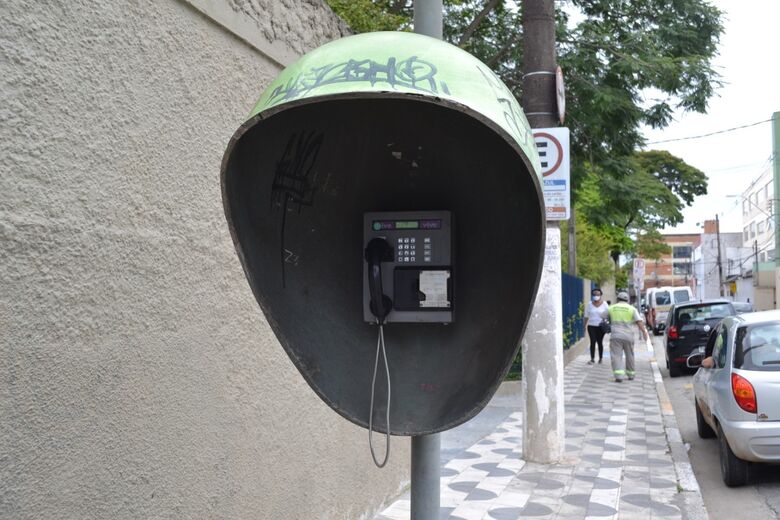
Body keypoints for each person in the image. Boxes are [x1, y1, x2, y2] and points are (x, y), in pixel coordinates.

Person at [607, 291, 650, 382]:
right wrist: (644, 332)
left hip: (615, 335)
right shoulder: (632, 309)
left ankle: (619, 376)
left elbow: (602, 316)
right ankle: (631, 375)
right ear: (627, 300)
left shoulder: (611, 308)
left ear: (618, 299)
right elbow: (639, 321)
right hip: (628, 336)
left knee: (616, 355)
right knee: (630, 355)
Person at [583, 288, 609, 364]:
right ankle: (592, 359)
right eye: (594, 294)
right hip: (591, 326)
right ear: (592, 295)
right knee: (592, 341)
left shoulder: (604, 304)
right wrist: (584, 326)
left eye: (598, 294)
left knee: (599, 342)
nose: (596, 296)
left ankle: (600, 358)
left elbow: (608, 314)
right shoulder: (589, 304)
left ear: (601, 295)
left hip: (601, 326)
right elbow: (586, 316)